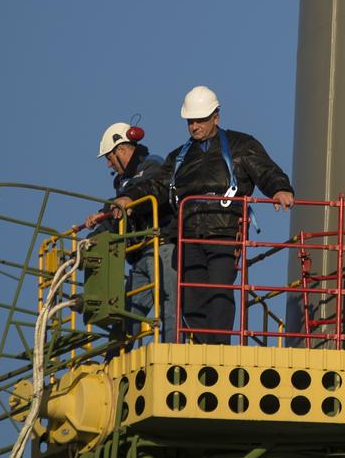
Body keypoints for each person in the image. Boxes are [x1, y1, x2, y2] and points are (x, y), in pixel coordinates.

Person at [115, 87, 294, 344]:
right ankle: (200, 348)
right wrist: (130, 197)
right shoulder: (179, 157)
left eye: (200, 120)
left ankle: (217, 348)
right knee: (190, 297)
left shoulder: (241, 145)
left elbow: (265, 170)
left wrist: (280, 189)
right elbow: (156, 185)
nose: (194, 126)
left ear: (216, 117)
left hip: (224, 229)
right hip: (188, 233)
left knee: (219, 291)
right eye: (191, 121)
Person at [83, 122, 176, 341]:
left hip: (162, 248)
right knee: (126, 317)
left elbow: (147, 187)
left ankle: (172, 352)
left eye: (109, 157)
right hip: (140, 256)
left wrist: (123, 200)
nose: (108, 164)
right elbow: (117, 215)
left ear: (122, 149)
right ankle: (115, 355)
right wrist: (91, 240)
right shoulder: (123, 185)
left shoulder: (153, 165)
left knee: (170, 308)